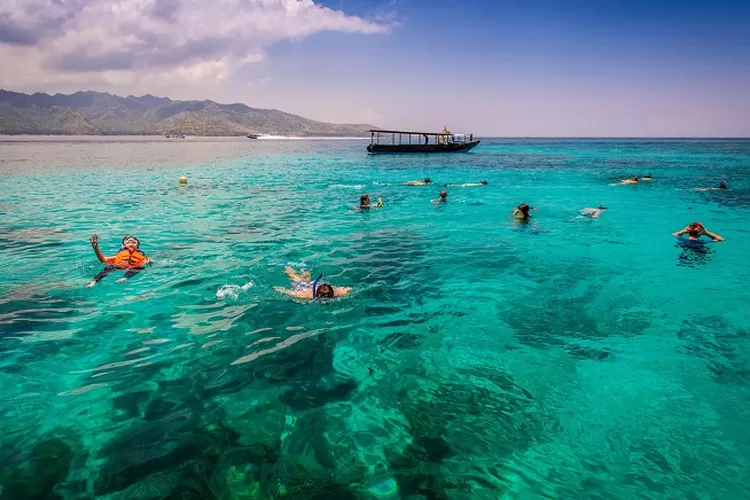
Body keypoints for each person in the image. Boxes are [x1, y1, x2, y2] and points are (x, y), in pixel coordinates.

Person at [275, 267, 352, 299]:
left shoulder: (336, 292)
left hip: (314, 284)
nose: (325, 299)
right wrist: (281, 290)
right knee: (297, 279)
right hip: (304, 287)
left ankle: (304, 270)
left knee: (307, 278)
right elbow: (291, 293)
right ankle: (288, 268)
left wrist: (348, 290)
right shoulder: (307, 294)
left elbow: (347, 289)